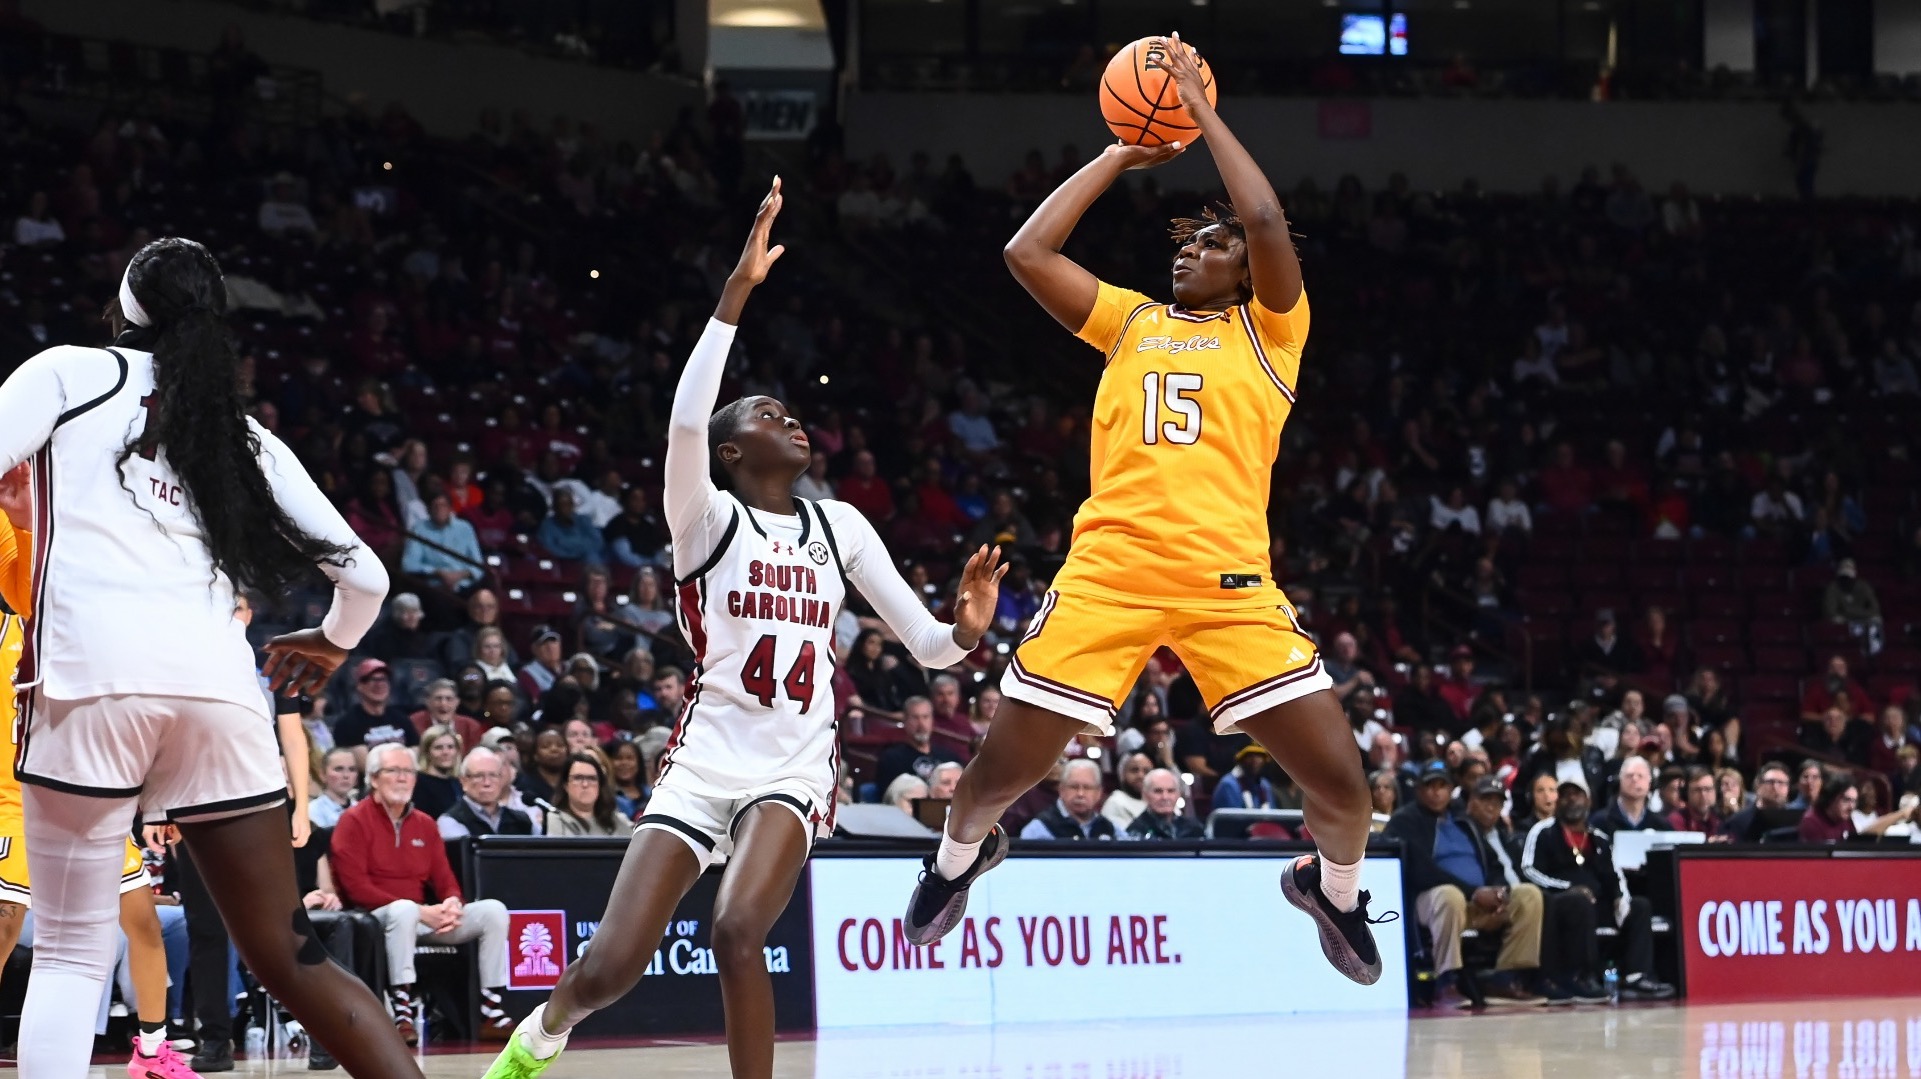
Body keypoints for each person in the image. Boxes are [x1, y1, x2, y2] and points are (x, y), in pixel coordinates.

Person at [484, 180, 1004, 1079]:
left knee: (735, 925)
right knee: (609, 969)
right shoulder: (704, 517)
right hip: (702, 759)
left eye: (792, 413)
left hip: (795, 765)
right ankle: (546, 1030)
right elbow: (686, 416)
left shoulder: (840, 525)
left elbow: (925, 646)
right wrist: (735, 291)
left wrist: (964, 627)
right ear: (730, 453)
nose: (791, 419)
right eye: (769, 414)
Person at [903, 36, 1386, 988]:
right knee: (999, 773)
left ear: (1246, 271)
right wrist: (1126, 146)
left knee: (1344, 791)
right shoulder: (1129, 320)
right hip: (1110, 574)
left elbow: (1262, 212)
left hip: (1230, 586)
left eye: (1210, 246)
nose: (1190, 252)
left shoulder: (1272, 332)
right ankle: (955, 861)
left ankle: (1331, 888)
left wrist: (1196, 110)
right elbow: (1025, 251)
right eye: (1183, 243)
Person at [0, 236, 417, 1076]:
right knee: (289, 955)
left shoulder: (65, 373)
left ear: (123, 307)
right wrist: (330, 643)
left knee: (75, 953)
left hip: (90, 682)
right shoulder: (242, 435)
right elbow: (364, 575)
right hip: (221, 695)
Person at [0, 468, 202, 1077]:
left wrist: (161, 802)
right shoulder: (13, 620)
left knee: (142, 920)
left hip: (90, 798)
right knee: (7, 922)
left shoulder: (102, 632)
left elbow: (142, 726)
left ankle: (150, 1050)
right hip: (13, 797)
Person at [333, 742, 515, 1044]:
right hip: (373, 918)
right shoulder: (353, 821)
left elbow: (444, 879)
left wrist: (452, 903)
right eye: (394, 771)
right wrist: (419, 910)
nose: (403, 778)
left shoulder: (425, 824)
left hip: (421, 916)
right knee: (404, 910)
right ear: (375, 778)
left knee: (493, 911)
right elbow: (355, 889)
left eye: (408, 772)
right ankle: (402, 1012)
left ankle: (490, 1008)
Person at [1387, 768, 1545, 1008]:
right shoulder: (1405, 820)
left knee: (1528, 895)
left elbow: (1491, 861)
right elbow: (1421, 871)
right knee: (1449, 895)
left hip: (1477, 901)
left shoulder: (1463, 821)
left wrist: (1498, 892)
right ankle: (1446, 982)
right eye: (1430, 786)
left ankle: (1504, 979)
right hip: (1430, 901)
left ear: (1451, 790)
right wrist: (1474, 892)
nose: (1436, 792)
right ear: (1419, 790)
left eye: (1442, 786)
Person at [1519, 783, 1674, 1001]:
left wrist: (1621, 898)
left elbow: (1615, 875)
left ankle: (1636, 976)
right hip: (1560, 903)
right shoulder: (1543, 831)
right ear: (1557, 802)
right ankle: (1581, 976)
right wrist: (1569, 888)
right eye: (1565, 796)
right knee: (1579, 901)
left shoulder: (1599, 837)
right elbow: (1529, 870)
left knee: (1639, 906)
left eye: (1577, 795)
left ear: (1588, 801)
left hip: (1597, 903)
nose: (1571, 800)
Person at [438, 746, 536, 839]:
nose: (487, 783)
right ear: (464, 781)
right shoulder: (451, 821)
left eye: (493, 775)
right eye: (479, 776)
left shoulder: (522, 821)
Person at [873, 697, 964, 794]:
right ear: (905, 721)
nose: (921, 724)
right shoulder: (891, 759)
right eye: (915, 718)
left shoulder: (949, 757)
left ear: (932, 721)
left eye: (925, 717)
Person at [332, 657, 416, 759]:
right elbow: (365, 764)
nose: (379, 684)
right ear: (359, 686)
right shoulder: (347, 723)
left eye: (383, 679)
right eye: (373, 679)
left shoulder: (401, 718)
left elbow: (416, 752)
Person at [1017, 759, 1116, 840]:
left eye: (1087, 787)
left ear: (1099, 793)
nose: (1080, 794)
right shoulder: (1039, 829)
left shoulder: (1111, 829)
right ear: (1061, 790)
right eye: (1074, 787)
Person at [544, 752, 633, 836]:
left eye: (592, 778)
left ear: (600, 785)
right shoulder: (556, 818)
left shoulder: (618, 820)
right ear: (566, 785)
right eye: (578, 778)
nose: (585, 784)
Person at [1591, 756, 1672, 834]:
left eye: (1640, 776)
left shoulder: (1661, 825)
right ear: (1620, 781)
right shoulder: (1600, 822)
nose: (1635, 779)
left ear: (1650, 783)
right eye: (1629, 775)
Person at [1722, 763, 1797, 843]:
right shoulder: (1737, 822)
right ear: (1758, 785)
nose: (1775, 787)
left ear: (1788, 789)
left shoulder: (1795, 822)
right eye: (1770, 782)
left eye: (1781, 783)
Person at [1126, 768, 1204, 840]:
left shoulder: (1194, 829)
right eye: (1158, 791)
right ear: (1145, 795)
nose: (1165, 797)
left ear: (1178, 795)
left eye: (1170, 791)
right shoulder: (1135, 832)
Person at [413, 724, 464, 820]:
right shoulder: (418, 783)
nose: (445, 752)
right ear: (427, 752)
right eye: (438, 747)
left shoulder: (458, 782)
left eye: (450, 747)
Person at [308, 746, 361, 829]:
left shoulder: (362, 809)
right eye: (338, 769)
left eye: (352, 769)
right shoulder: (312, 811)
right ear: (323, 774)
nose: (346, 775)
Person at [1213, 745, 1279, 810]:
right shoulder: (1228, 784)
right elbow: (1231, 818)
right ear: (1241, 760)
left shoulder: (1265, 785)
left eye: (1259, 756)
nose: (1255, 760)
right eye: (1250, 756)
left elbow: (1272, 813)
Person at [1665, 765, 1724, 836]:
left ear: (1716, 792)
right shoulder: (1675, 821)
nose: (1703, 795)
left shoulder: (1722, 820)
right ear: (1686, 793)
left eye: (1708, 789)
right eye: (1697, 790)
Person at [1101, 750, 1152, 829]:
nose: (1141, 776)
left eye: (1146, 771)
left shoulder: (1158, 802)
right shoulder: (1115, 803)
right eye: (1134, 770)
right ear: (1123, 775)